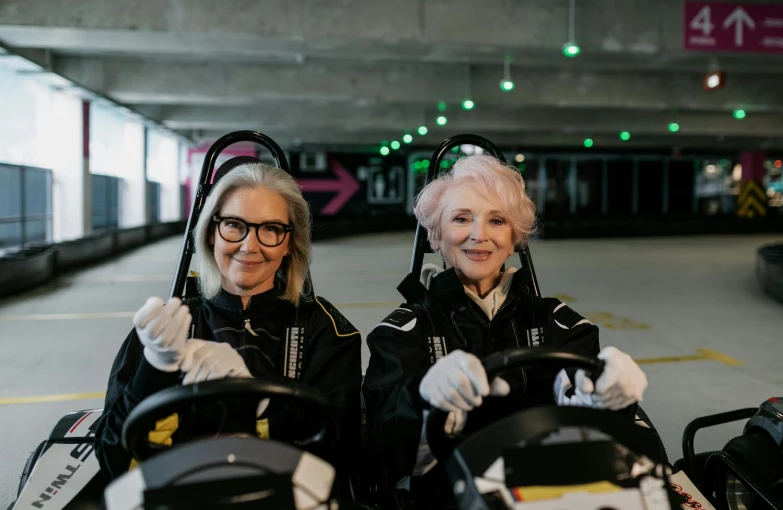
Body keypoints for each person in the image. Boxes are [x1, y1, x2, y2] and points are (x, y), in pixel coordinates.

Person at [362, 154, 648, 508]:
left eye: (496, 220)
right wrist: (422, 401)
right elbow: (383, 456)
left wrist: (610, 400)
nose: (479, 235)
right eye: (461, 218)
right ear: (436, 237)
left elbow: (598, 440)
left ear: (515, 239)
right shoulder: (401, 333)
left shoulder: (559, 322)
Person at [94, 160, 362, 481]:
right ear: (211, 233)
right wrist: (154, 370)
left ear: (290, 244)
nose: (249, 246)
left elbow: (340, 462)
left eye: (271, 229)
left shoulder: (326, 330)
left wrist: (258, 402)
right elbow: (112, 459)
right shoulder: (166, 329)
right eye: (234, 225)